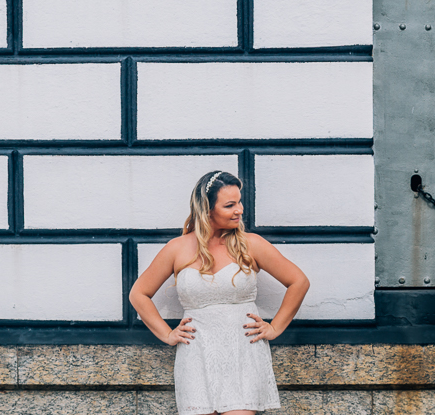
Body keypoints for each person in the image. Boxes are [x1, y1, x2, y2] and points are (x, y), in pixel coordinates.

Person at [129, 170, 310, 415]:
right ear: (207, 209)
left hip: (243, 352)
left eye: (239, 202)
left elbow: (298, 281)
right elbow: (138, 293)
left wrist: (275, 327)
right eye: (230, 205)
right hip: (196, 354)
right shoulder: (177, 248)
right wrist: (168, 334)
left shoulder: (251, 244)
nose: (240, 210)